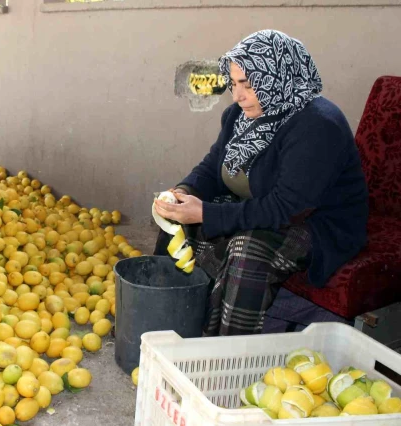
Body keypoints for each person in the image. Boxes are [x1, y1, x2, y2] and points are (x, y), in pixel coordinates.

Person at [153, 29, 368, 337]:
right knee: (177, 224)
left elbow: (286, 208)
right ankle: (170, 323)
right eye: (234, 84)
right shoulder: (239, 116)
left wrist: (207, 213)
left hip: (317, 223)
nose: (238, 95)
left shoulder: (318, 125)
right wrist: (183, 192)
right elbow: (215, 168)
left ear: (277, 77)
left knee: (247, 249)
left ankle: (227, 353)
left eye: (248, 84)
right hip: (262, 204)